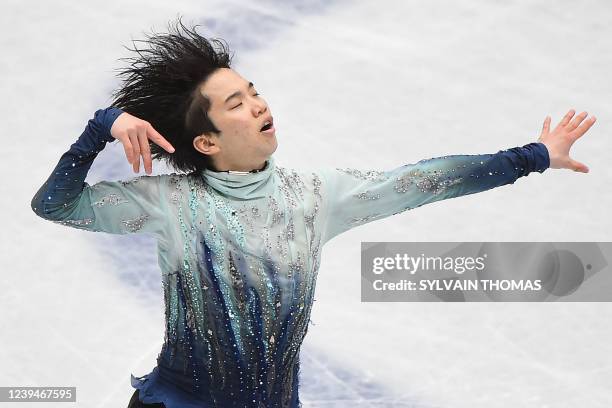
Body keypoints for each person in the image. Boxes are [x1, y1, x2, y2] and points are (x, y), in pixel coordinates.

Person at [30, 17, 595, 408]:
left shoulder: (315, 197)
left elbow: (423, 181)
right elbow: (54, 205)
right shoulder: (172, 206)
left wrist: (532, 157)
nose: (258, 104)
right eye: (237, 104)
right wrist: (102, 126)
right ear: (205, 142)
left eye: (252, 91)